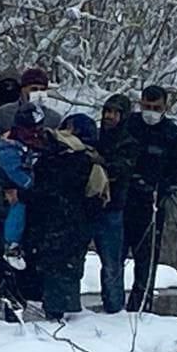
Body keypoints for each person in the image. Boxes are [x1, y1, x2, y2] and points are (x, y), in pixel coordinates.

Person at [24, 115, 108, 321]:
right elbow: (96, 195)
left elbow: (36, 186)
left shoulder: (46, 154)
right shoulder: (90, 160)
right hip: (73, 221)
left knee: (43, 264)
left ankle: (39, 305)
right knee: (66, 268)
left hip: (45, 219)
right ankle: (60, 310)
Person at [123, 85, 177, 312]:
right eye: (147, 107)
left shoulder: (172, 134)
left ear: (165, 107)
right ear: (140, 104)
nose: (150, 111)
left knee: (147, 259)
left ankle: (142, 306)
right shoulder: (129, 125)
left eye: (156, 108)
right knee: (114, 257)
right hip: (123, 201)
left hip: (152, 205)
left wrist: (163, 190)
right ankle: (112, 305)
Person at [93, 94, 140, 313]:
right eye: (107, 112)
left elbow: (118, 170)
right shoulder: (94, 137)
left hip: (112, 209)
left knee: (112, 263)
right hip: (86, 207)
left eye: (115, 113)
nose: (109, 117)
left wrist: (97, 163)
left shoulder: (128, 142)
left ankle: (113, 307)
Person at [0, 102, 49, 270]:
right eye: (30, 128)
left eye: (38, 127)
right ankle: (12, 244)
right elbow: (12, 170)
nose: (35, 132)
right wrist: (29, 184)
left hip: (41, 195)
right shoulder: (10, 147)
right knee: (18, 208)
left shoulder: (43, 142)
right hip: (19, 189)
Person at [0, 68, 63, 170]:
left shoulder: (54, 118)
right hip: (7, 174)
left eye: (42, 90)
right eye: (34, 89)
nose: (38, 94)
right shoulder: (5, 113)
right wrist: (2, 165)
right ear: (22, 89)